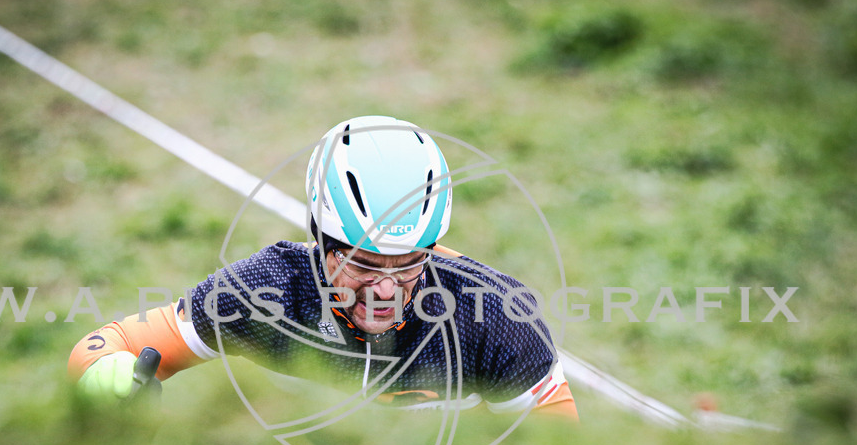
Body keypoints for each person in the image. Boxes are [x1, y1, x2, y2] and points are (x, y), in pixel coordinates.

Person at [69, 115, 577, 418]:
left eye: (408, 264)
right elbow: (107, 344)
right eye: (363, 264)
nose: (385, 290)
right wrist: (102, 372)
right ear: (321, 239)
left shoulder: (496, 315)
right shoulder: (267, 289)